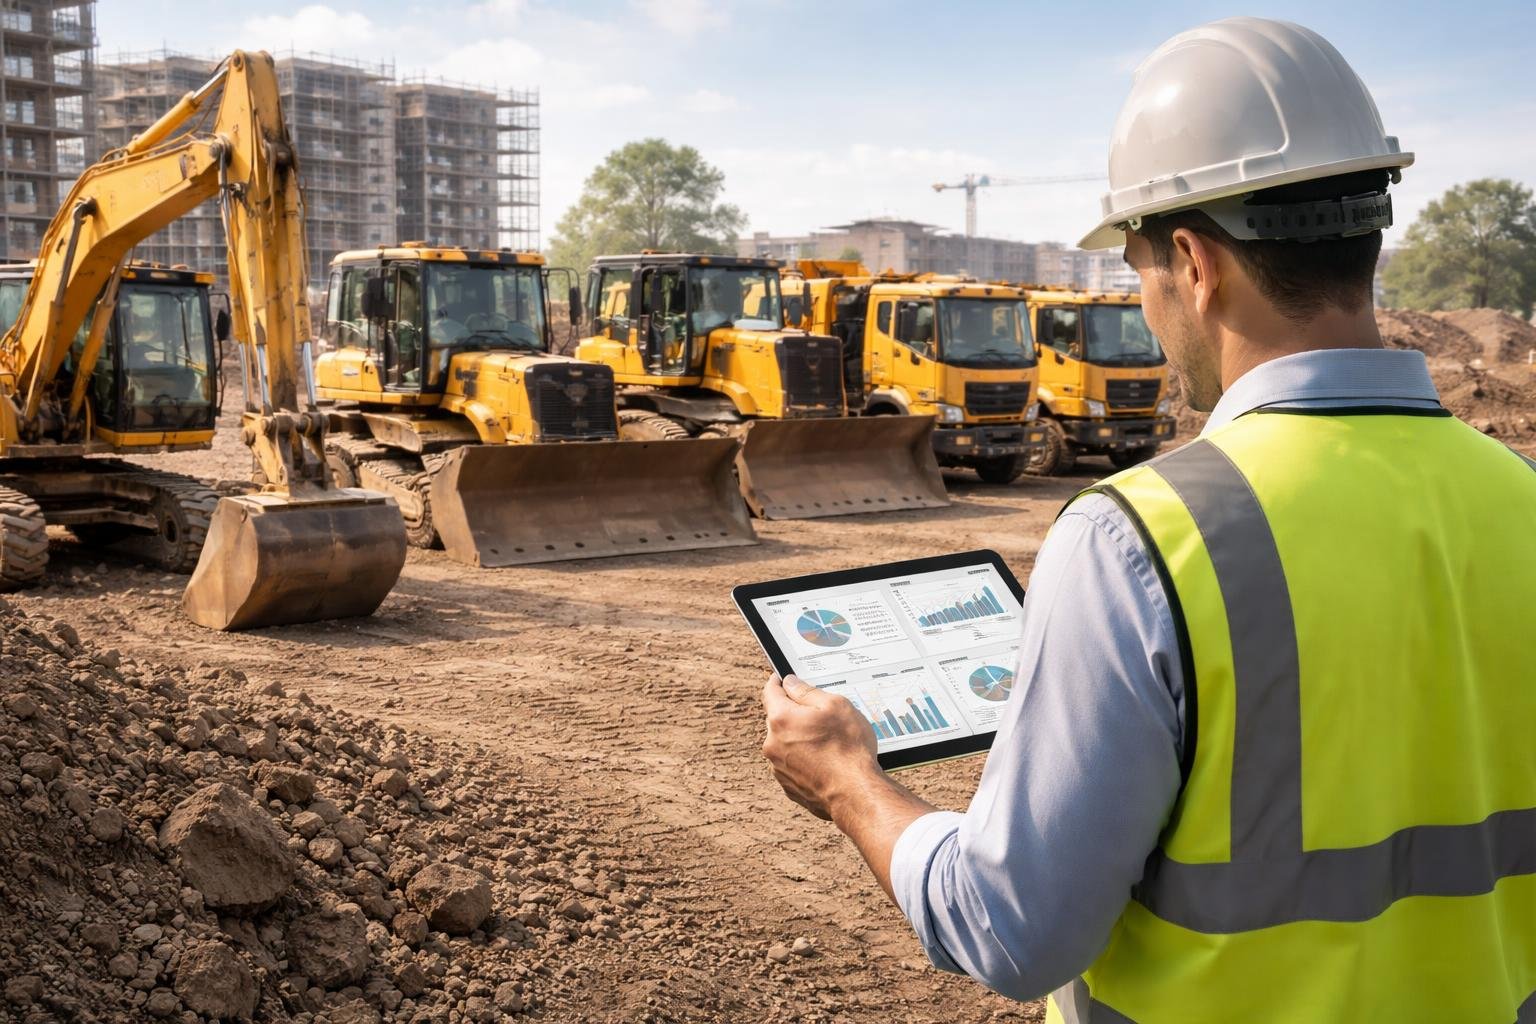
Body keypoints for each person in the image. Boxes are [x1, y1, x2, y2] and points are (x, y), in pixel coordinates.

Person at [760, 17, 1536, 1023]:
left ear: (1194, 262)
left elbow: (1014, 928)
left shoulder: (1141, 537)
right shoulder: (1518, 497)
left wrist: (848, 781)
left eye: (1137, 270)